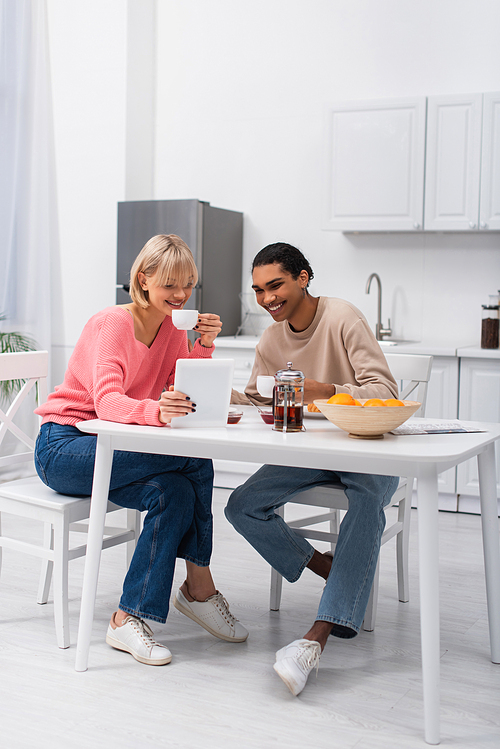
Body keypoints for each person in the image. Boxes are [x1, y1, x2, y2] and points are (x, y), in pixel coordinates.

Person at [34, 234, 248, 666]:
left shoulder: (172, 328)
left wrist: (202, 346)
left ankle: (127, 618)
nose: (182, 294)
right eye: (170, 283)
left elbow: (179, 388)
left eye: (188, 284)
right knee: (195, 460)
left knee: (176, 492)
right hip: (65, 446)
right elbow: (108, 402)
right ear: (143, 279)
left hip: (116, 448)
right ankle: (199, 589)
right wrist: (157, 410)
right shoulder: (111, 323)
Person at [225, 242, 399, 695]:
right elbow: (259, 396)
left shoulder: (342, 316)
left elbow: (383, 389)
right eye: (259, 290)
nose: (267, 299)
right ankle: (336, 573)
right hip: (310, 449)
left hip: (367, 446)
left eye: (275, 285)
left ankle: (314, 639)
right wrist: (213, 392)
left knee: (366, 506)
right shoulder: (270, 339)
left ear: (303, 277)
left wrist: (323, 391)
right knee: (242, 505)